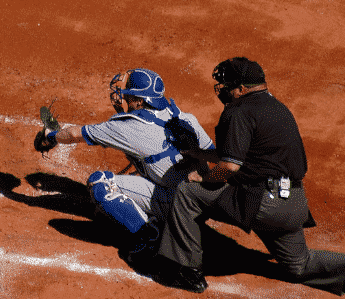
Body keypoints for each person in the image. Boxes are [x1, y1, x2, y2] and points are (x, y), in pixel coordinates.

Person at [151, 57, 345, 296]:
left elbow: (230, 167)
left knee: (188, 192)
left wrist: (204, 179)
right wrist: (199, 153)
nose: (223, 90)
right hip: (293, 204)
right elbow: (247, 154)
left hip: (261, 204)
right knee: (299, 266)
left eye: (227, 86)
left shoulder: (238, 111)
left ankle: (184, 272)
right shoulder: (277, 108)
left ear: (241, 89)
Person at [36, 68, 215, 263]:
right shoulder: (185, 117)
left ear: (139, 101)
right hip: (204, 201)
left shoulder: (127, 126)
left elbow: (74, 134)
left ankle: (150, 236)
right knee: (146, 169)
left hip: (179, 207)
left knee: (101, 184)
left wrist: (49, 137)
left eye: (128, 96)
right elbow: (216, 156)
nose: (123, 98)